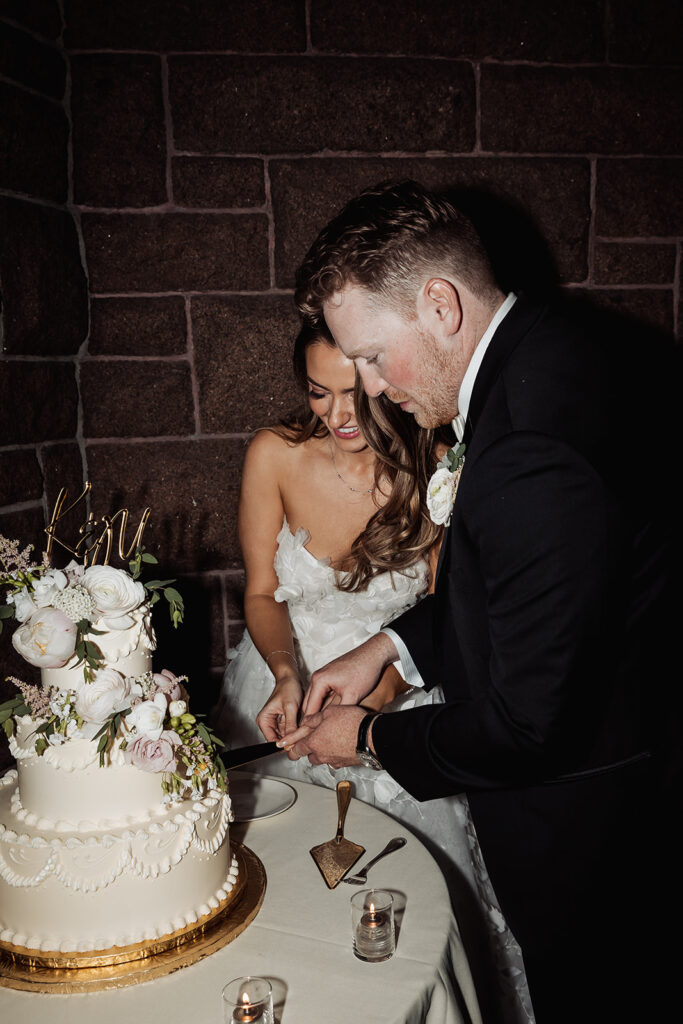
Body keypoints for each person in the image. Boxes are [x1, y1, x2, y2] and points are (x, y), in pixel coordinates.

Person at [279, 180, 677, 1023]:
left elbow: (530, 723)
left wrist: (370, 736)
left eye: (375, 356)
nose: (376, 389)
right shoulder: (561, 348)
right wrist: (388, 648)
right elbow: (533, 587)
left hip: (598, 839)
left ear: (438, 303)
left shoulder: (529, 438)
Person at [211, 320, 535, 1024]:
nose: (338, 415)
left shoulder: (440, 462)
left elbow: (447, 615)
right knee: (283, 890)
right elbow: (262, 593)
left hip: (402, 690)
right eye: (318, 393)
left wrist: (376, 714)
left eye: (355, 393)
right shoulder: (273, 455)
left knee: (413, 903)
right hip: (285, 681)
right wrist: (284, 675)